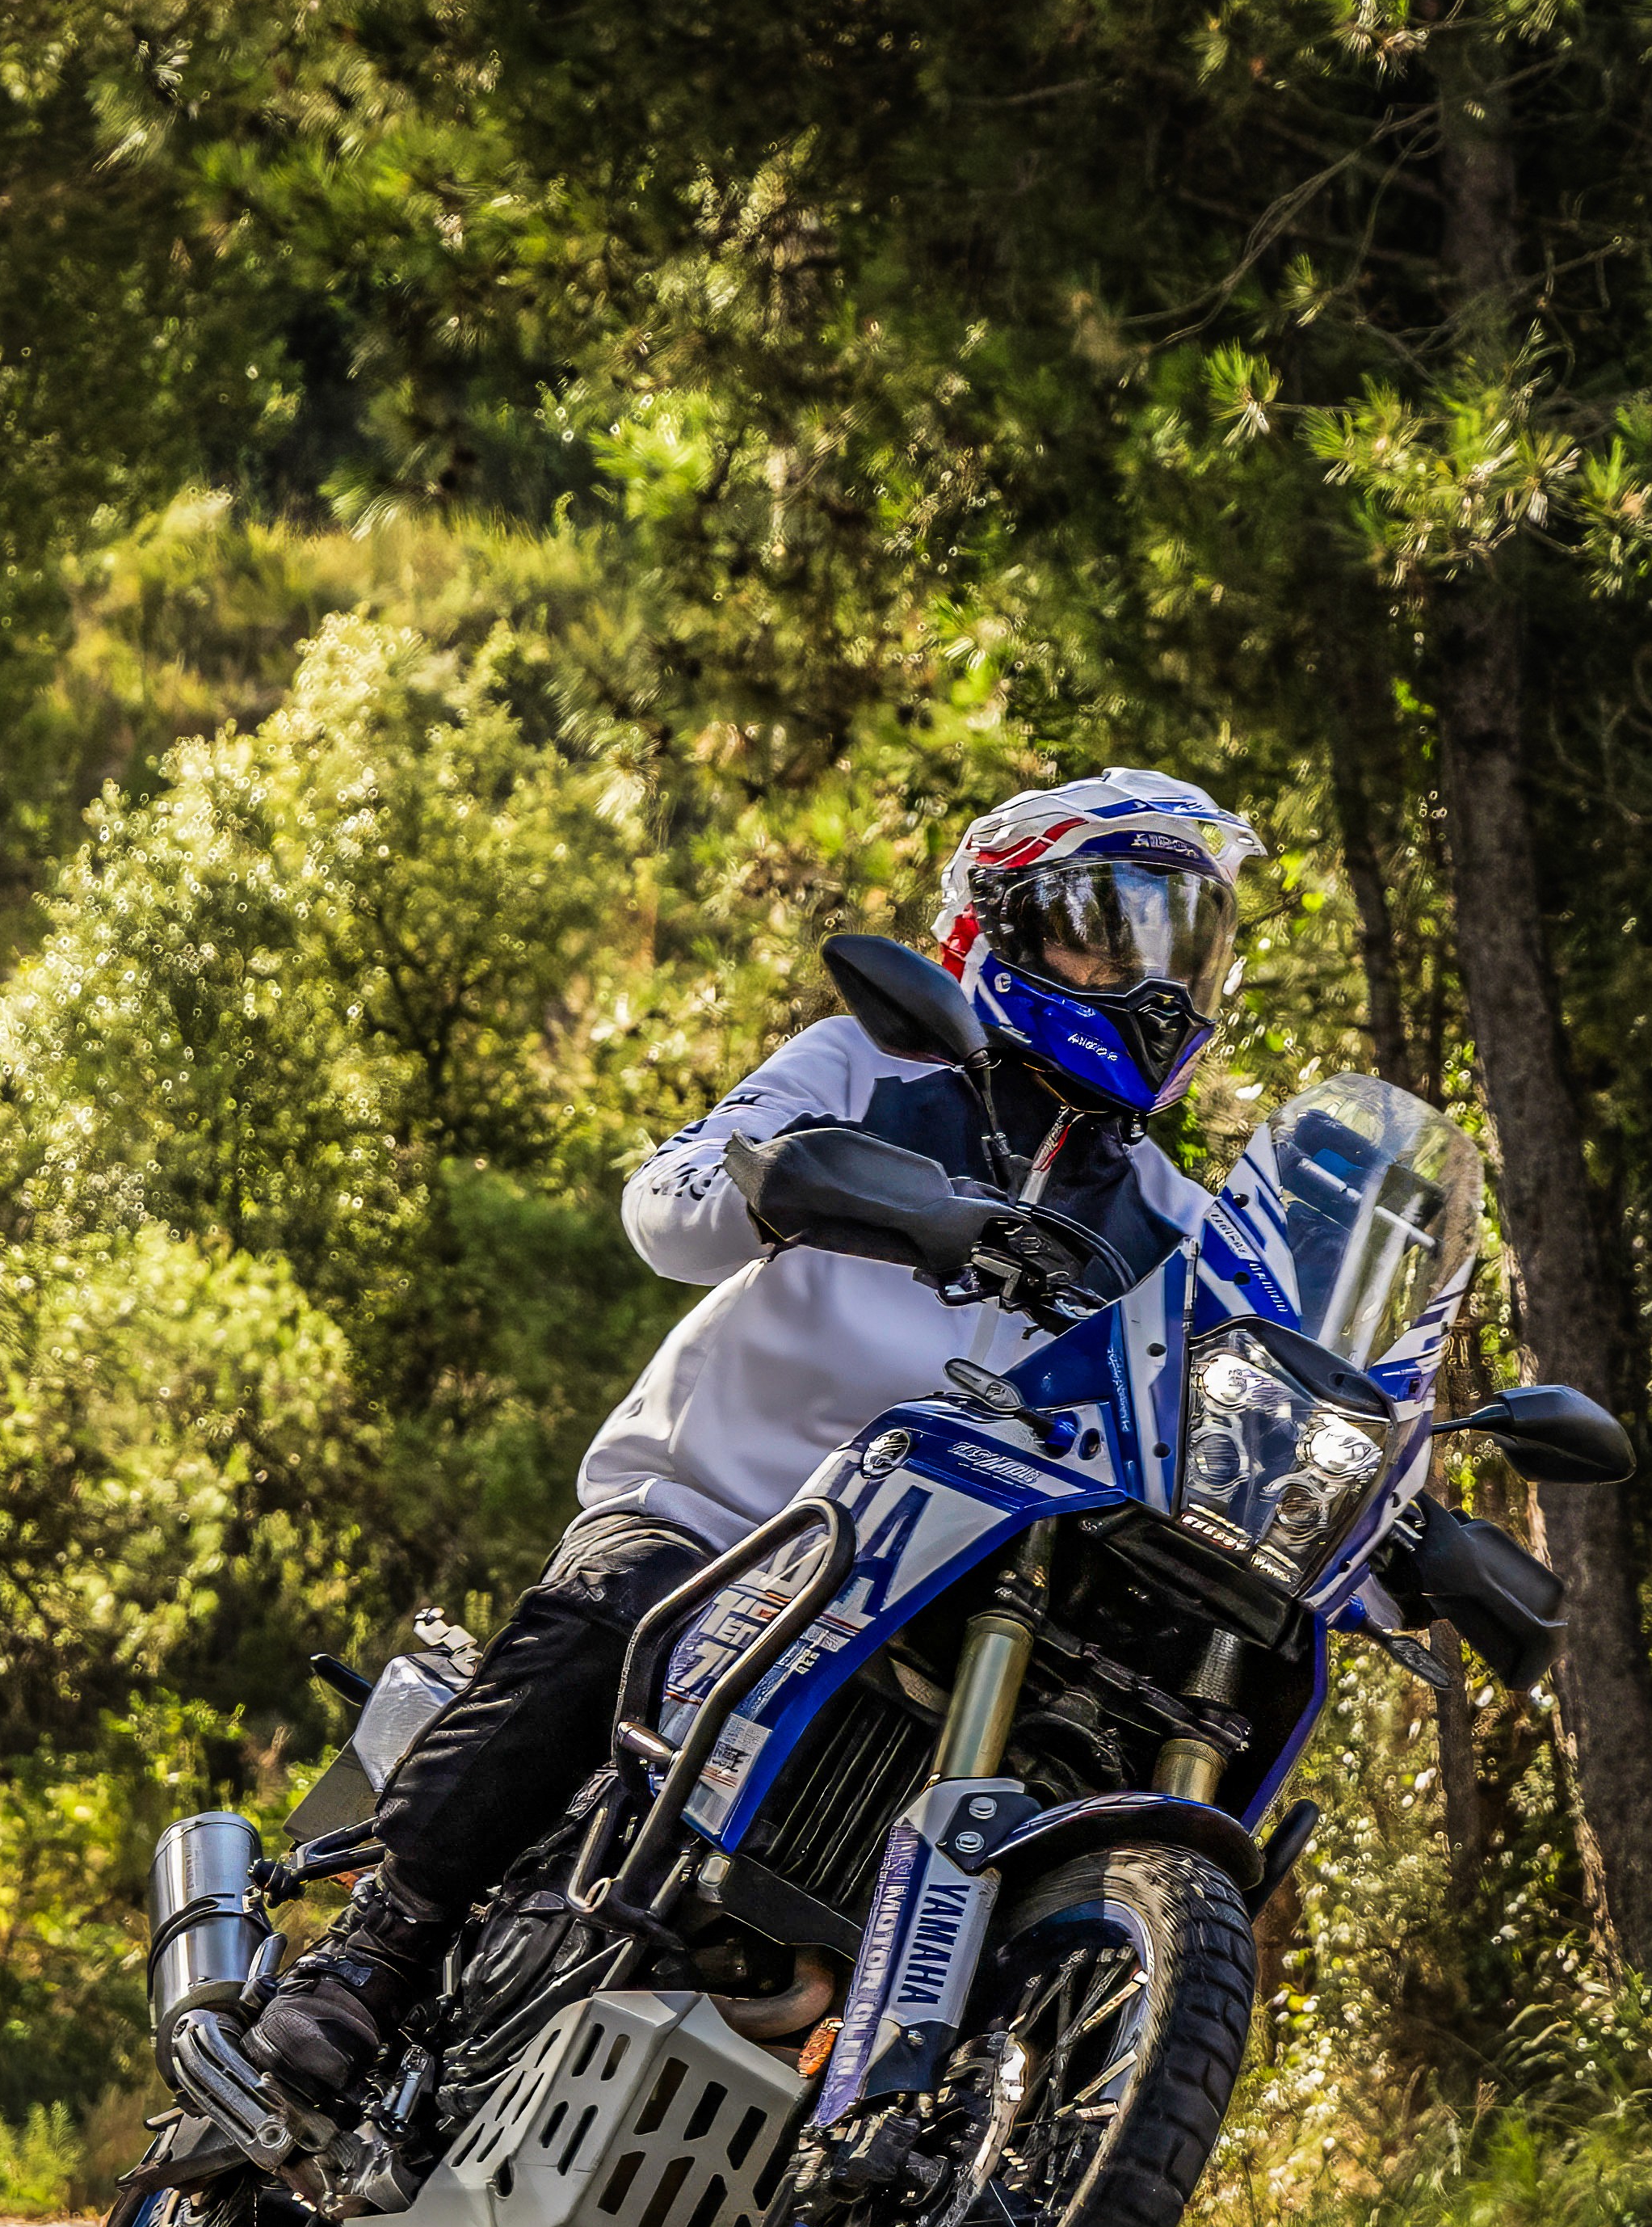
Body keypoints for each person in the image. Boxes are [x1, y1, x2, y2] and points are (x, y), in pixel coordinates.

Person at [246, 768, 1265, 2114]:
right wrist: (815, 1186)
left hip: (940, 1592)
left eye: (1184, 946)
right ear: (1001, 925)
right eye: (1108, 928)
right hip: (726, 1507)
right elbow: (667, 1207)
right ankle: (378, 1950)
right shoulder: (869, 1065)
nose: (1151, 981)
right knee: (629, 1611)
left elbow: (1267, 1386)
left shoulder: (1178, 1220)